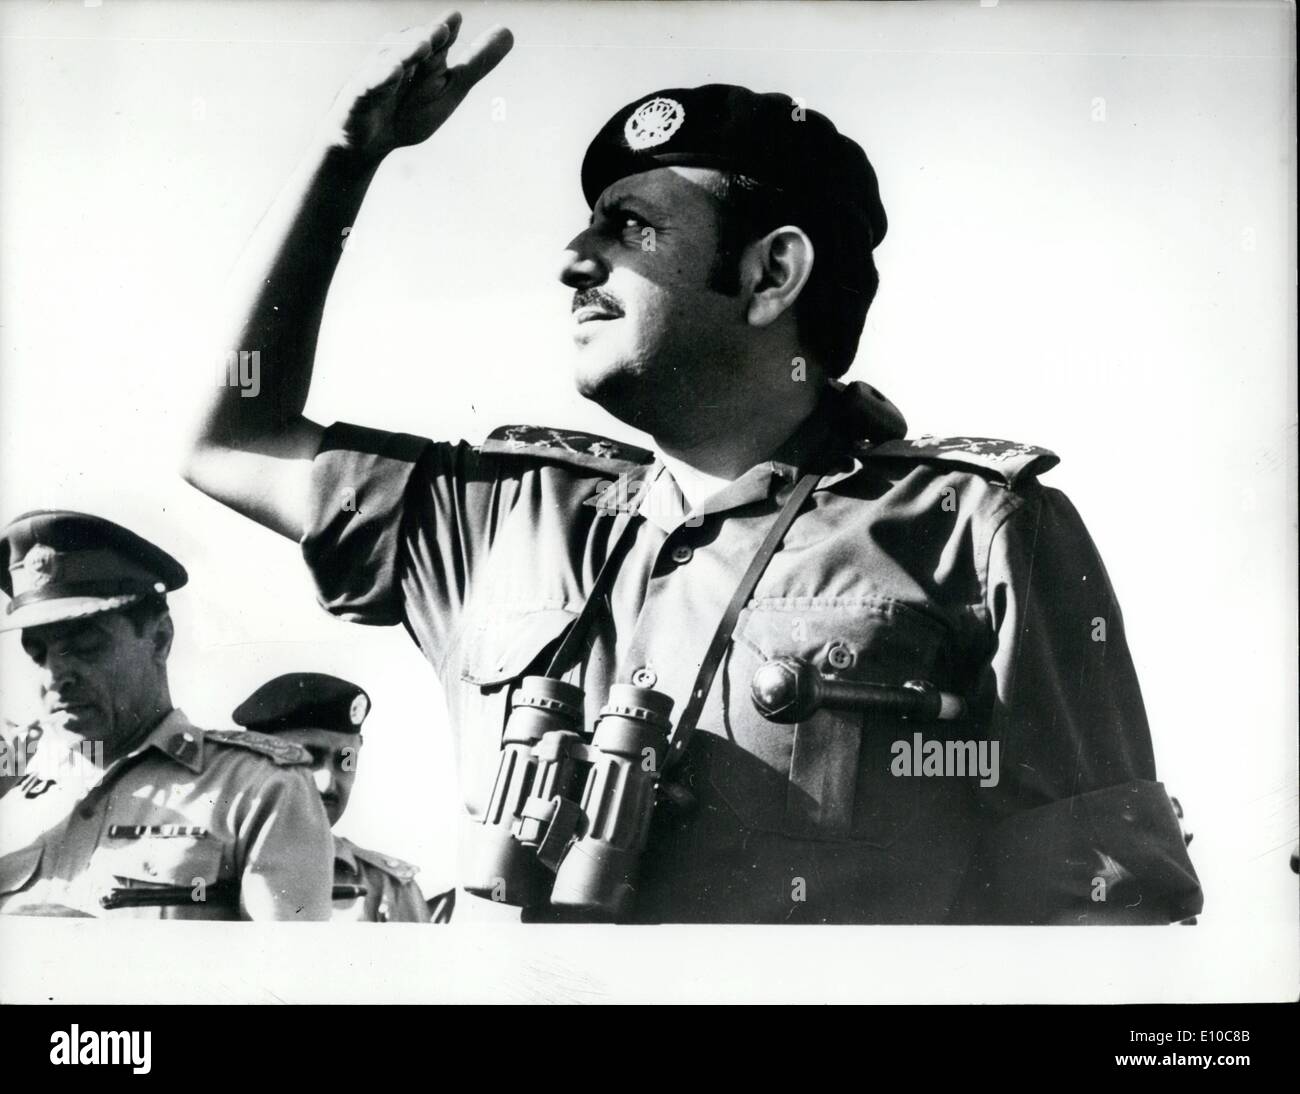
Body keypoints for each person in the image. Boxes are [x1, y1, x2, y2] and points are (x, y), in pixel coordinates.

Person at [181, 15, 1202, 924]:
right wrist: (341, 162)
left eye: (628, 227)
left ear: (771, 275)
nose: (574, 260)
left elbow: (1099, 912)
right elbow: (227, 437)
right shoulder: (505, 517)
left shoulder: (975, 531)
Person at [0, 510, 333, 919]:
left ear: (159, 639)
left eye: (85, 646)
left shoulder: (258, 789)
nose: (55, 675)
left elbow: (290, 978)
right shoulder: (11, 784)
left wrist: (89, 959)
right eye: (37, 654)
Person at [231, 671, 446, 923]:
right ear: (254, 759)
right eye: (306, 759)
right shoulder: (209, 871)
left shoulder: (386, 890)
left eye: (345, 761)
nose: (327, 784)